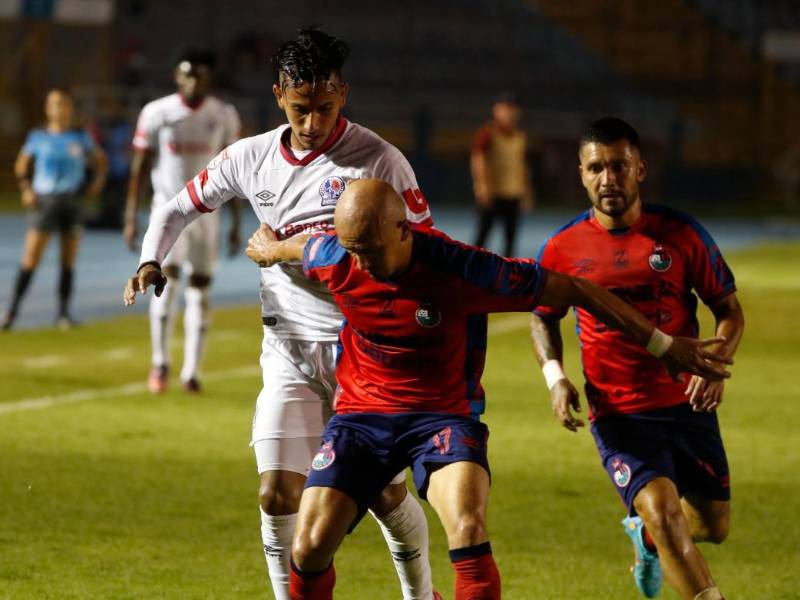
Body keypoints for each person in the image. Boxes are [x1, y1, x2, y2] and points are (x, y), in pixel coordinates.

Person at [239, 178, 733, 600]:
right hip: (362, 417)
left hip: (443, 417)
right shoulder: (339, 255)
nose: (361, 264)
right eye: (353, 250)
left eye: (370, 250)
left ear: (403, 230)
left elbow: (577, 289)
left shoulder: (464, 269)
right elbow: (303, 248)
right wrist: (267, 247)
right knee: (306, 548)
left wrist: (664, 345)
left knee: (468, 530)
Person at [123, 29, 438, 600]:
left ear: (342, 94)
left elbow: (427, 246)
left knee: (387, 497)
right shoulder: (250, 157)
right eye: (300, 109)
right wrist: (151, 260)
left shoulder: (380, 162)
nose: (313, 123)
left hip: (363, 357)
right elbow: (175, 208)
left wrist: (301, 251)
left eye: (324, 107)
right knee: (275, 495)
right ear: (278, 96)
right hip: (288, 352)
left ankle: (423, 596)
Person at [529, 117, 744, 600]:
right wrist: (555, 377)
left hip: (688, 404)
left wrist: (717, 363)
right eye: (596, 168)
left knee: (713, 525)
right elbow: (543, 317)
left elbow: (728, 311)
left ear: (640, 168)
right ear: (582, 174)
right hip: (619, 412)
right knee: (666, 514)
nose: (608, 179)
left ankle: (643, 537)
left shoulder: (681, 233)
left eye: (619, 166)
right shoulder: (562, 249)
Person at [124, 48, 243, 393]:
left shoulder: (224, 114)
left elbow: (233, 173)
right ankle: (160, 362)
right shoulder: (157, 112)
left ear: (209, 78)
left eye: (200, 75)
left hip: (209, 214)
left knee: (201, 288)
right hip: (169, 210)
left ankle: (191, 370)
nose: (193, 82)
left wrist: (235, 223)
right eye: (186, 75)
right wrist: (131, 216)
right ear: (177, 77)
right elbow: (139, 166)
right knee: (167, 281)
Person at [3, 88, 108, 330]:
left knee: (67, 261)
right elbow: (21, 166)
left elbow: (100, 161)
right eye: (55, 104)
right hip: (45, 202)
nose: (60, 109)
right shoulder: (38, 137)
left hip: (71, 201)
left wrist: (97, 182)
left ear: (70, 108)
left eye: (64, 104)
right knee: (30, 259)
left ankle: (63, 314)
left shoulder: (80, 137)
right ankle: (11, 313)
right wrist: (26, 190)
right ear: (48, 109)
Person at [470, 92, 533, 257]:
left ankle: (508, 273)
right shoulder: (488, 133)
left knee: (510, 239)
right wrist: (481, 185)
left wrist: (527, 190)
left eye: (512, 109)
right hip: (493, 193)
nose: (509, 113)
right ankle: (470, 269)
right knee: (482, 236)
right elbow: (478, 159)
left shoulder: (520, 136)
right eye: (505, 109)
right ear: (496, 110)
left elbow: (522, 164)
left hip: (513, 193)